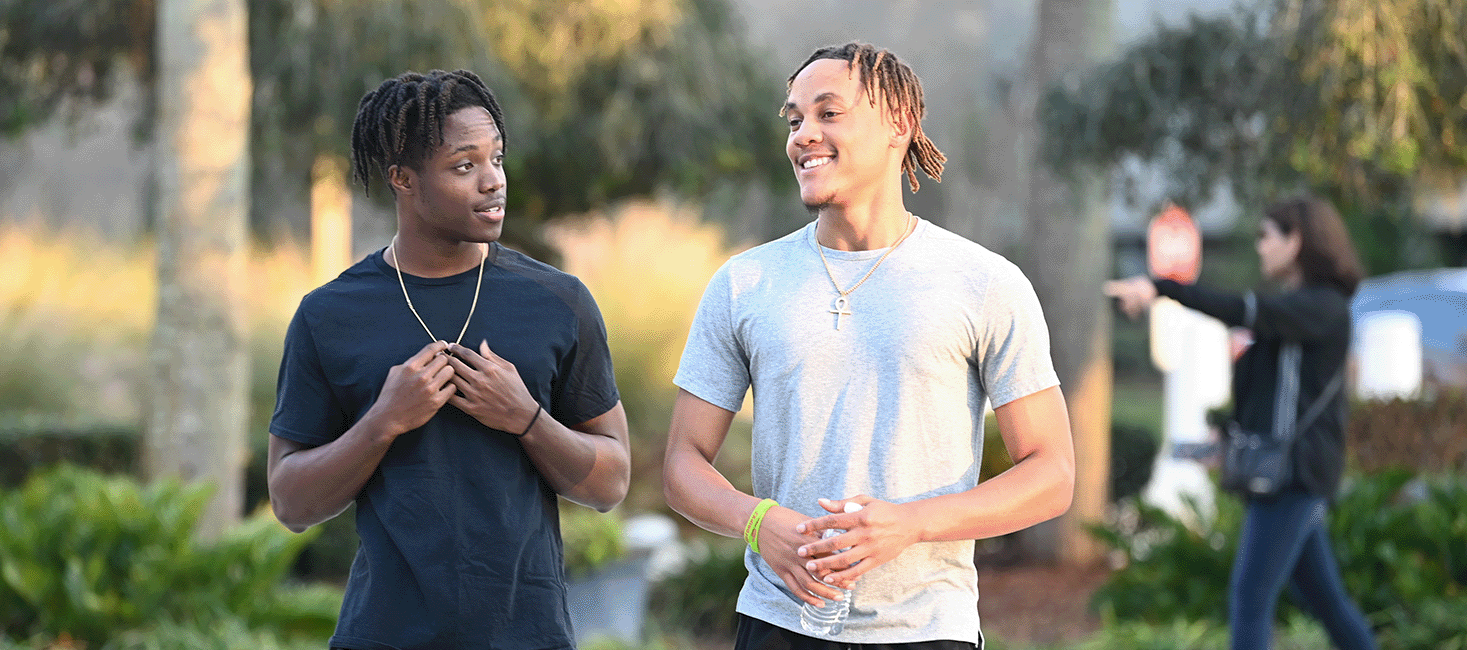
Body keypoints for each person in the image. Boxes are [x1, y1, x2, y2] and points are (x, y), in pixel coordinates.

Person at [662, 42, 1075, 649]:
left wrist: (910, 524)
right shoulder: (744, 282)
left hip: (929, 631)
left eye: (828, 113)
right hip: (778, 627)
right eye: (795, 118)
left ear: (899, 125)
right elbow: (682, 464)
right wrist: (758, 522)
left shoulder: (984, 282)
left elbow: (1053, 472)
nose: (803, 135)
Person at [265, 69, 630, 650]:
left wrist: (528, 419)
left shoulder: (558, 302)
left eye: (497, 159)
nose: (493, 182)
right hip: (383, 635)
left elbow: (611, 481)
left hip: (528, 636)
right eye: (465, 166)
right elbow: (290, 501)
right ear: (403, 180)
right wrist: (383, 421)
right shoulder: (329, 315)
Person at [1104, 195, 1376, 650]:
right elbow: (1269, 393)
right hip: (1286, 473)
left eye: (1267, 236)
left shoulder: (1323, 308)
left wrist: (1163, 286)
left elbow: (1242, 310)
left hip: (1295, 477)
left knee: (1250, 597)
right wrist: (1228, 433)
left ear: (1297, 242)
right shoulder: (1299, 310)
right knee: (1326, 602)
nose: (1260, 247)